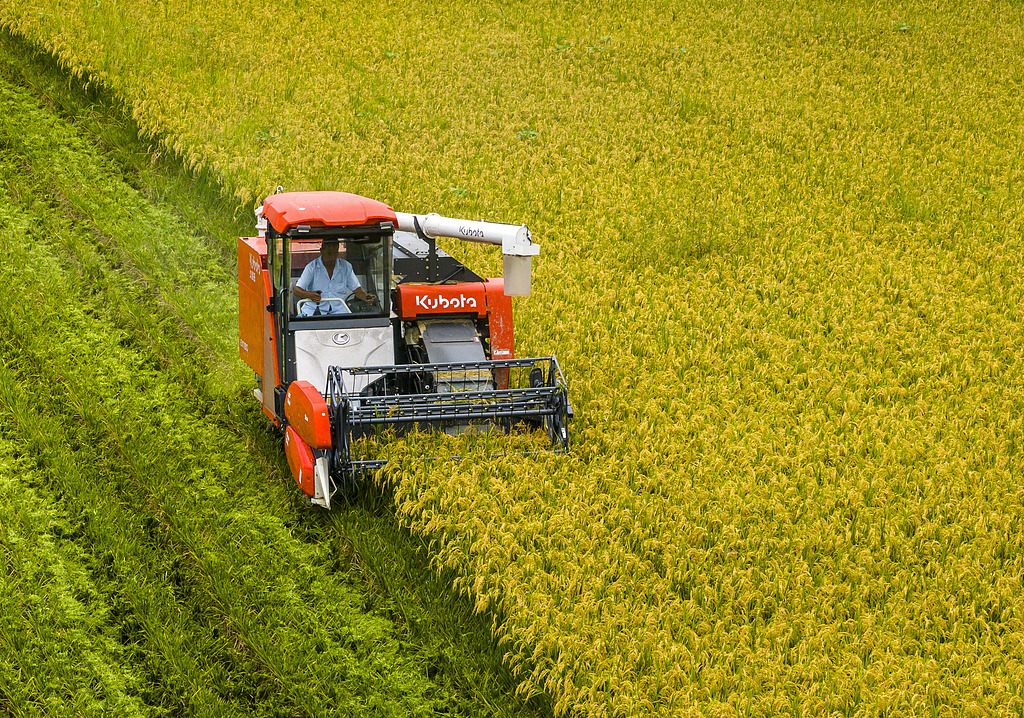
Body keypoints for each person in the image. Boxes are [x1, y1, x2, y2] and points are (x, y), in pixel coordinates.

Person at [293, 239, 377, 316]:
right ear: (321, 251)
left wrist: (366, 297)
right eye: (329, 253)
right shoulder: (311, 267)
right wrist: (310, 295)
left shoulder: (345, 266)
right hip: (313, 311)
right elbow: (297, 290)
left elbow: (357, 290)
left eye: (335, 253)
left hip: (340, 311)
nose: (332, 257)